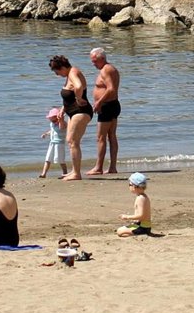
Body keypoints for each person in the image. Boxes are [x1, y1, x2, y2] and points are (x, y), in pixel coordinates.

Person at [49, 55, 93, 181]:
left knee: (72, 141)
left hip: (81, 111)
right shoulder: (70, 74)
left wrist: (79, 99)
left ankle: (77, 174)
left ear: (62, 67)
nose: (57, 75)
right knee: (71, 142)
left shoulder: (73, 72)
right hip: (73, 112)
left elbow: (78, 87)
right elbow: (70, 95)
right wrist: (63, 109)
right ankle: (74, 170)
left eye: (57, 72)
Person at [88, 47, 121, 175]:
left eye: (95, 61)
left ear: (102, 58)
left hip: (107, 106)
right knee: (111, 135)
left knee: (101, 137)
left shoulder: (106, 70)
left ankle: (98, 167)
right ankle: (112, 167)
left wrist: (99, 102)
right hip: (112, 104)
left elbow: (111, 89)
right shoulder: (110, 68)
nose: (93, 64)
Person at [116, 172, 153, 236]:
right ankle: (135, 232)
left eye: (130, 185)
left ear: (135, 186)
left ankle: (140, 234)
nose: (129, 187)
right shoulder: (143, 196)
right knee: (122, 229)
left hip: (143, 227)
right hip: (143, 225)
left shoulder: (141, 198)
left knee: (120, 231)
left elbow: (141, 215)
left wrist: (127, 217)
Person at [39, 107, 69, 178]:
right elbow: (52, 131)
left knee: (60, 159)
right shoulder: (52, 124)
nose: (52, 121)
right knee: (48, 158)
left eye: (54, 120)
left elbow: (61, 128)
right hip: (52, 143)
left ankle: (65, 173)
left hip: (59, 144)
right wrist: (46, 134)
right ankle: (44, 174)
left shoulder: (63, 123)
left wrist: (61, 120)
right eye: (51, 119)